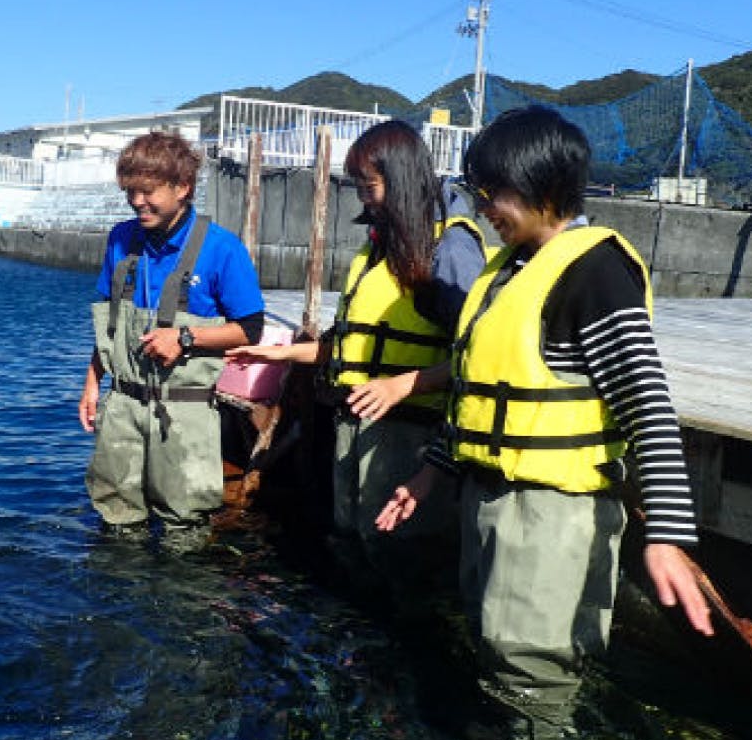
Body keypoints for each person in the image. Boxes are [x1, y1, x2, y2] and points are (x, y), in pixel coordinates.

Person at [376, 105, 714, 740]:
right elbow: (482, 395)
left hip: (552, 513)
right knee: (497, 662)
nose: (484, 209)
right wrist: (428, 474)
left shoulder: (595, 272)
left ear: (547, 189)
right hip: (488, 500)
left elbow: (647, 406)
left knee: (531, 681)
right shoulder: (506, 273)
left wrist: (668, 535)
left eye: (494, 193)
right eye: (479, 193)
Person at [227, 120, 486, 591]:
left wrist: (406, 384)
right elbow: (349, 347)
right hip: (357, 425)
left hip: (410, 434)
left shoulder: (450, 248)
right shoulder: (383, 247)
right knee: (350, 542)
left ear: (403, 179)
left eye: (370, 186)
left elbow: (481, 355)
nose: (363, 198)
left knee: (398, 554)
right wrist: (272, 352)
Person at [79, 131, 265, 538]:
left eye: (147, 192)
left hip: (184, 414)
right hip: (123, 406)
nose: (136, 202)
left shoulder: (222, 249)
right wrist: (92, 383)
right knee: (116, 522)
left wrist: (184, 339)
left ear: (182, 187)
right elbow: (106, 320)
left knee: (185, 530)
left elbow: (250, 330)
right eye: (130, 191)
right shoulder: (120, 239)